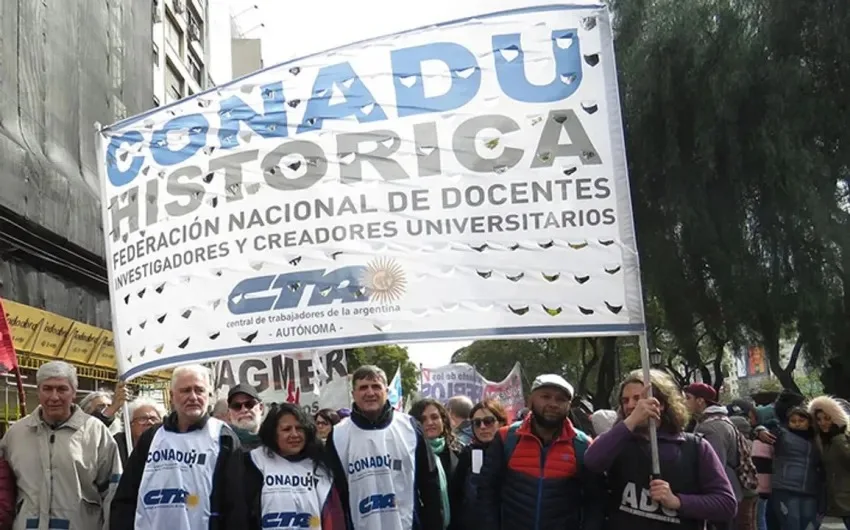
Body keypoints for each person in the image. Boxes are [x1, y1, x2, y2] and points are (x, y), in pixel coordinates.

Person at [584, 369, 737, 530]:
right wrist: (632, 420)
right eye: (625, 400)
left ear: (661, 403)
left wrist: (678, 501)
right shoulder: (617, 442)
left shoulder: (694, 447)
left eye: (638, 398)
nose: (630, 405)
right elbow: (592, 461)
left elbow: (726, 504)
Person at [110, 364, 244, 529]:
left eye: (199, 390)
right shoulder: (152, 437)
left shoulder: (223, 437)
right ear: (172, 396)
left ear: (209, 395)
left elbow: (236, 506)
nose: (193, 397)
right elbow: (126, 498)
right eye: (186, 390)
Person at [1, 360, 121, 530]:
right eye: (47, 388)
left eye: (62, 389)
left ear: (74, 392)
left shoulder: (95, 432)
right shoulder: (16, 434)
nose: (54, 397)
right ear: (38, 391)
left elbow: (112, 491)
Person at [477, 374, 605, 530]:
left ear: (569, 405)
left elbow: (595, 502)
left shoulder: (583, 445)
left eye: (560, 399)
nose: (553, 404)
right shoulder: (506, 438)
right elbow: (486, 491)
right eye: (546, 397)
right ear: (531, 400)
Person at [325, 365, 442, 530]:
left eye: (376, 386)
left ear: (386, 391)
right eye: (363, 387)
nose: (370, 393)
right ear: (353, 394)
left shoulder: (409, 427)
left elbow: (430, 484)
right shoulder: (338, 435)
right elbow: (336, 495)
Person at [241, 402, 346, 529]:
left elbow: (333, 519)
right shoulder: (254, 462)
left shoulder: (320, 468)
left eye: (299, 428)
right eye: (286, 429)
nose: (295, 434)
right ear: (273, 433)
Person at [685, 383, 754, 529]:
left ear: (700, 401)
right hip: (729, 491)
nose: (684, 402)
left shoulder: (712, 427)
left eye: (688, 398)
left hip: (721, 495)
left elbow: (713, 466)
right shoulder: (717, 421)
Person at [448, 398, 508, 530]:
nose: (482, 427)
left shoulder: (513, 452)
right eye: (476, 423)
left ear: (501, 422)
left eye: (488, 421)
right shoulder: (467, 454)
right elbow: (456, 496)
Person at [763, 406, 821, 530]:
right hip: (785, 487)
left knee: (809, 524)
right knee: (791, 524)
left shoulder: (817, 440)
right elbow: (763, 427)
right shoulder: (782, 435)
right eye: (793, 421)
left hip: (810, 489)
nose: (797, 424)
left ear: (809, 422)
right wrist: (759, 430)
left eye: (801, 421)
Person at [409, 399, 461, 529]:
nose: (429, 423)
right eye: (422, 420)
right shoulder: (409, 457)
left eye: (434, 417)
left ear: (443, 420)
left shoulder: (459, 453)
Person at [809, 396, 850, 529]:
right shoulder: (824, 441)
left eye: (827, 418)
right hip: (838, 498)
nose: (822, 423)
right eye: (819, 419)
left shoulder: (840, 439)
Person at [114, 397, 165, 466]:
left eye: (154, 419)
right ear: (130, 424)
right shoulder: (118, 444)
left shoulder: (167, 443)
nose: (149, 422)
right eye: (143, 419)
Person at [227, 384, 264, 450]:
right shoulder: (221, 446)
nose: (244, 410)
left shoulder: (277, 443)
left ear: (261, 408)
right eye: (236, 406)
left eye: (249, 404)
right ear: (229, 413)